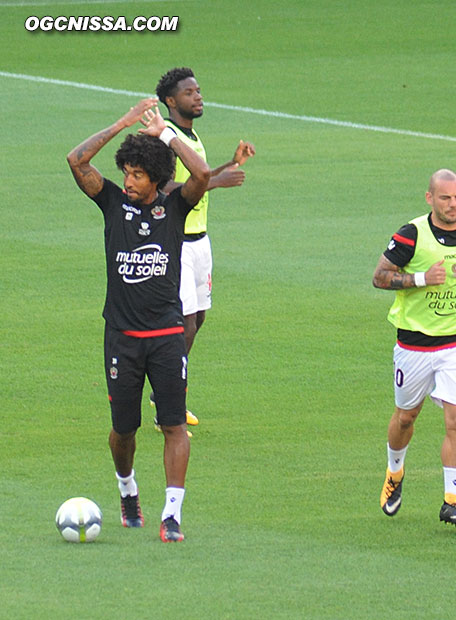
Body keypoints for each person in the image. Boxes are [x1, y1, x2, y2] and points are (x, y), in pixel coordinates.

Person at [67, 97, 210, 543]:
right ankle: (127, 490)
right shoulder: (112, 203)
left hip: (166, 335)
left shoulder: (176, 208)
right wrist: (124, 123)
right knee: (123, 431)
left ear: (157, 179)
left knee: (174, 424)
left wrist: (166, 134)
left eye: (137, 174)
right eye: (126, 171)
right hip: (122, 338)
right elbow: (77, 159)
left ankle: (172, 515)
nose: (128, 181)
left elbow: (203, 176)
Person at [372, 169, 456, 529]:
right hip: (415, 344)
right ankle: (395, 471)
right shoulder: (411, 235)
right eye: (445, 198)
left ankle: (452, 500)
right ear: (429, 199)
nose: (453, 205)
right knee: (406, 417)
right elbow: (379, 276)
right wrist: (422, 278)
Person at [151, 67, 256, 428]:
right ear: (170, 101)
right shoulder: (163, 139)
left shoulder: (189, 137)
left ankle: (164, 392)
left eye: (198, 91)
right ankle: (169, 400)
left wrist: (231, 164)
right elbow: (163, 190)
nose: (198, 96)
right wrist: (218, 181)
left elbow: (200, 177)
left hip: (200, 241)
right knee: (186, 322)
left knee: (199, 318)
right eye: (189, 92)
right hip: (176, 242)